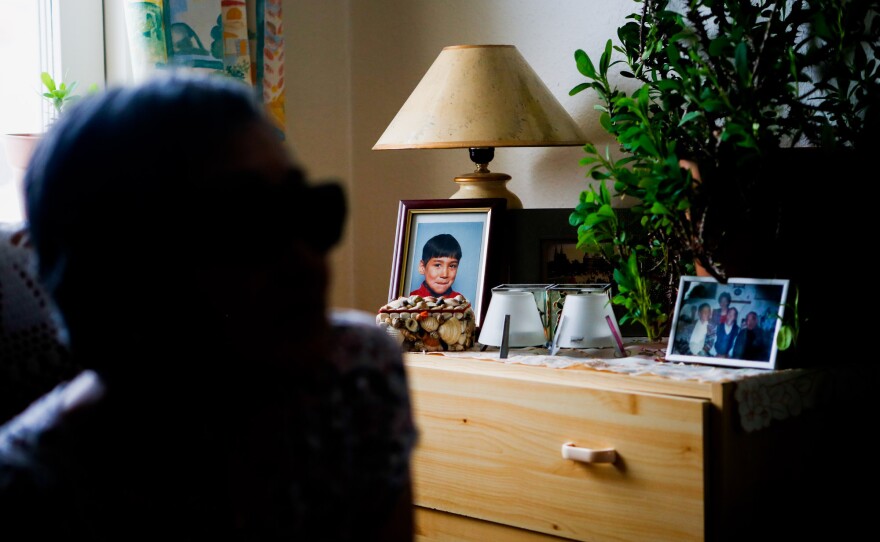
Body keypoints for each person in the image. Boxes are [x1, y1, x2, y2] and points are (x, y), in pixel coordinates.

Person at [0, 72, 417, 540]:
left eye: (309, 210)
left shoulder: (358, 375)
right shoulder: (34, 492)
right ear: (119, 271)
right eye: (247, 227)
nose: (305, 260)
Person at [409, 233, 464, 298]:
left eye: (452, 266)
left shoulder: (462, 303)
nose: (444, 275)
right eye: (437, 265)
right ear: (422, 267)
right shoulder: (407, 301)